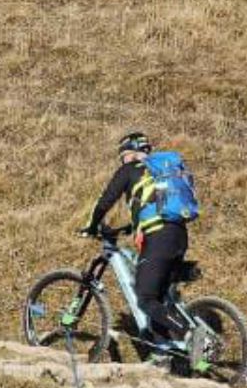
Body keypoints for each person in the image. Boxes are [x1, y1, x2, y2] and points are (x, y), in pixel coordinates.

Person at [79, 131, 206, 370]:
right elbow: (150, 211)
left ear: (132, 153)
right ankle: (162, 354)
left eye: (123, 156)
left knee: (145, 298)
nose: (123, 161)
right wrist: (128, 228)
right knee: (157, 298)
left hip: (159, 237)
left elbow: (105, 200)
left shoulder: (131, 170)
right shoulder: (158, 175)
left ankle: (189, 333)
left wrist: (92, 226)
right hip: (177, 235)